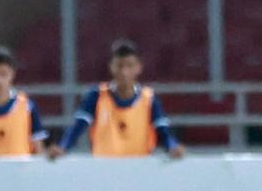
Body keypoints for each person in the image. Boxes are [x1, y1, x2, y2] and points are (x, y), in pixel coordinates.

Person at [49, 40, 185, 159]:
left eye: (129, 66)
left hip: (140, 171)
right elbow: (77, 128)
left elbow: (164, 132)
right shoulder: (97, 95)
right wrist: (63, 148)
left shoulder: (149, 99)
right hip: (104, 171)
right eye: (119, 65)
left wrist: (173, 147)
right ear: (111, 67)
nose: (124, 72)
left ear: (139, 68)